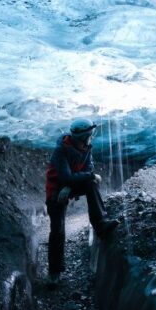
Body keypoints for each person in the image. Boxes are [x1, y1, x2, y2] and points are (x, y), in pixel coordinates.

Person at [45, 118, 119, 285]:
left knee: (91, 183)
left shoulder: (86, 148)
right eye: (89, 134)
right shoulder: (61, 150)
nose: (91, 137)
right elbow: (66, 176)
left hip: (69, 186)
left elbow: (88, 168)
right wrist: (82, 178)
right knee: (57, 229)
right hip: (55, 191)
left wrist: (70, 186)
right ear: (82, 137)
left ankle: (101, 224)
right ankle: (54, 272)